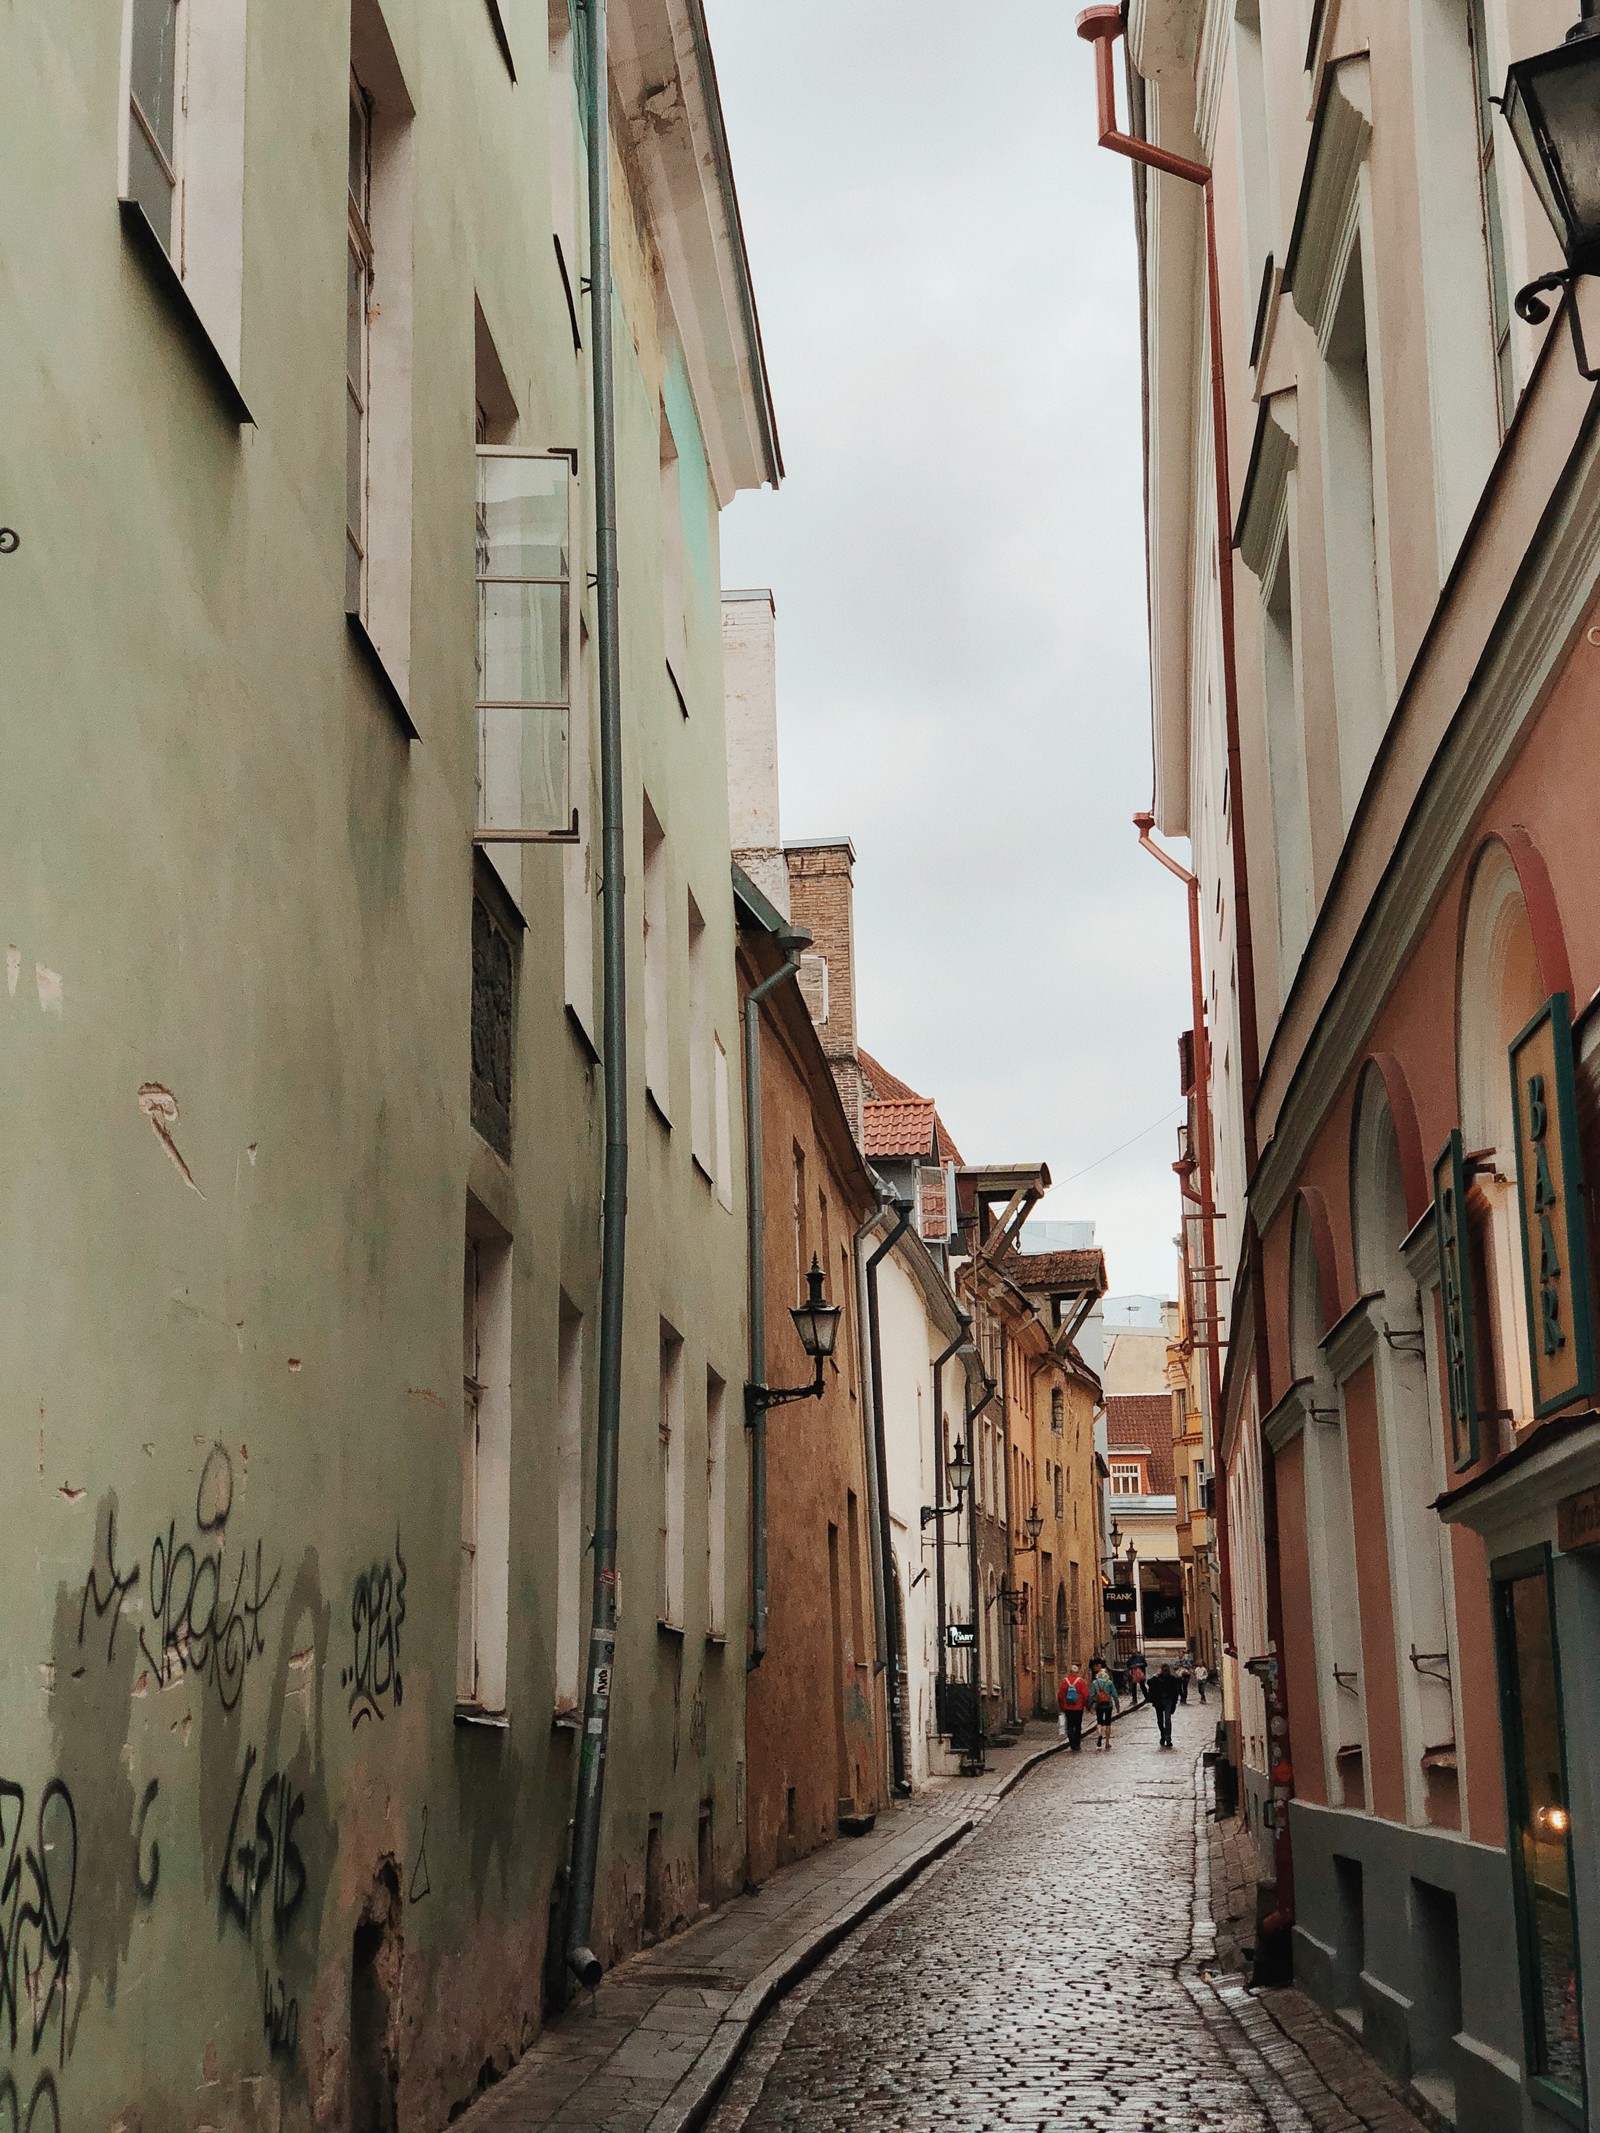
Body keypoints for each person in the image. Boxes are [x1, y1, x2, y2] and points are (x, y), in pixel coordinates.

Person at [1147, 1661, 1182, 1748]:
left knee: (1167, 1719)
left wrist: (1174, 1703)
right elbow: (1149, 1683)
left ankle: (1168, 1738)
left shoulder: (1172, 1679)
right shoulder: (1157, 1679)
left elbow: (1176, 1692)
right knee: (1160, 1720)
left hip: (1168, 1701)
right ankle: (1163, 1735)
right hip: (1158, 1701)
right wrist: (1155, 1676)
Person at [1058, 1662, 1091, 1752]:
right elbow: (1086, 1695)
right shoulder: (1081, 1681)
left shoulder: (1065, 1681)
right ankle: (1077, 1743)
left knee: (1069, 1725)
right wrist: (1087, 1706)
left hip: (1068, 1707)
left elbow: (1060, 1695)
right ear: (1077, 1672)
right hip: (1078, 1707)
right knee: (1077, 1725)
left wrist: (1061, 1706)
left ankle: (1072, 1742)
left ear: (1070, 1672)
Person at [1091, 1662, 1118, 1749]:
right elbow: (1115, 1695)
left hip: (1099, 1704)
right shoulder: (1109, 1682)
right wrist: (1117, 1706)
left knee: (1099, 1722)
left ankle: (1099, 1734)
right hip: (1108, 1704)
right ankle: (1107, 1742)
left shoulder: (1095, 1682)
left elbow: (1092, 1695)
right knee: (1108, 1723)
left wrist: (1090, 1705)